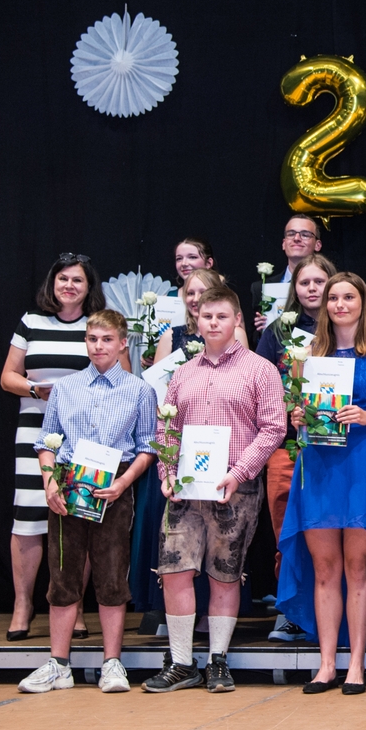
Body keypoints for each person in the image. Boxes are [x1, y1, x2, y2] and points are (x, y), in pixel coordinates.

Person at [142, 286, 286, 694]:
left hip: (234, 486)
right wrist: (167, 473)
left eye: (222, 316)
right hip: (185, 489)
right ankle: (181, 663)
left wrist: (239, 472)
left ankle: (217, 661)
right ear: (197, 321)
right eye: (207, 317)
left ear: (237, 320)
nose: (213, 323)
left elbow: (274, 427)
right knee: (174, 571)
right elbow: (166, 427)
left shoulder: (260, 370)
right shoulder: (183, 372)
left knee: (225, 575)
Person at [277, 272, 366, 694]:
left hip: (365, 459)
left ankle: (356, 664)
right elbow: (297, 408)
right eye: (333, 298)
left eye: (348, 297)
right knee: (324, 567)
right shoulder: (306, 354)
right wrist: (297, 415)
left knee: (358, 565)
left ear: (362, 302)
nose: (339, 304)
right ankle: (325, 664)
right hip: (319, 462)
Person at [17, 310, 157, 694]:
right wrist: (50, 483)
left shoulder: (139, 390)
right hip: (68, 483)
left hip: (113, 487)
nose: (99, 346)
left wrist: (124, 482)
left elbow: (147, 447)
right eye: (93, 339)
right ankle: (58, 664)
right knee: (63, 573)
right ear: (85, 342)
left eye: (107, 339)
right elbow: (47, 442)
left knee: (112, 573)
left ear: (122, 343)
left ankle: (112, 663)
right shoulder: (66, 388)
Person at [0, 253, 115, 642]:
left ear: (89, 286)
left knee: (79, 518)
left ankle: (74, 606)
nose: (69, 285)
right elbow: (7, 377)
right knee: (29, 519)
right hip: (35, 431)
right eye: (63, 278)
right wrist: (36, 390)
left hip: (87, 436)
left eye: (77, 280)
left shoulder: (98, 326)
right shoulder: (31, 322)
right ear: (52, 283)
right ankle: (23, 605)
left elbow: (122, 379)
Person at [132, 267, 249, 625]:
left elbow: (245, 396)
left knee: (221, 553)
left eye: (203, 292)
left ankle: (213, 628)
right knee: (177, 552)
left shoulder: (239, 341)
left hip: (225, 459)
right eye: (190, 293)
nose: (196, 299)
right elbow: (160, 398)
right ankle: (171, 622)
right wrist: (168, 464)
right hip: (183, 459)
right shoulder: (173, 336)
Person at [255, 254, 336, 642]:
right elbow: (259, 383)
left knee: (330, 530)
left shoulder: (345, 327)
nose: (312, 288)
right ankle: (291, 612)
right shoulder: (278, 332)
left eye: (320, 281)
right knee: (287, 529)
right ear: (294, 288)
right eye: (305, 282)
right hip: (285, 444)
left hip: (333, 445)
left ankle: (334, 611)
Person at [251, 216, 324, 333]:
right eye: (291, 234)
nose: (297, 238)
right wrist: (262, 331)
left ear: (317, 245)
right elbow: (252, 338)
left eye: (305, 234)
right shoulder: (260, 288)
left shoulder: (330, 285)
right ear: (284, 244)